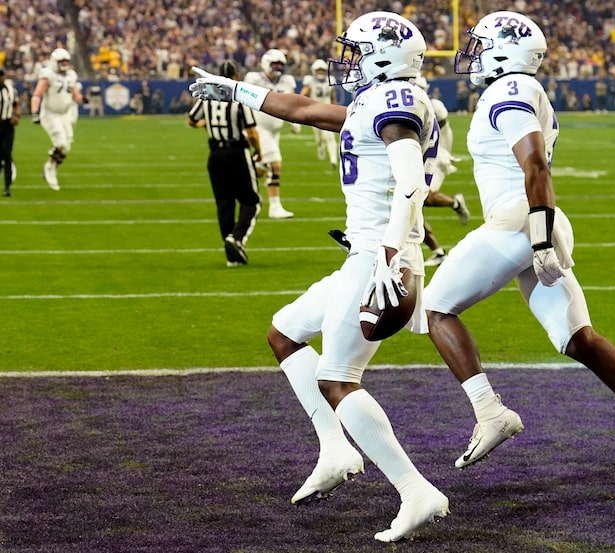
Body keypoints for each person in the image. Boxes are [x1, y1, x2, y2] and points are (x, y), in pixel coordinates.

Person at [190, 11, 449, 541]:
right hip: (367, 253)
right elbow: (305, 110)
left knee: (337, 378)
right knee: (284, 332)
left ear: (382, 56)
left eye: (355, 51)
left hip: (381, 258)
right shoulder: (376, 100)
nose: (346, 61)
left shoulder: (394, 105)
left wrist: (388, 253)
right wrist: (237, 89)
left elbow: (408, 185)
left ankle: (416, 490)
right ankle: (335, 449)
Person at [423, 11, 615, 489]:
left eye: (481, 44)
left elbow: (534, 166)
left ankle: (491, 414)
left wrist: (540, 233)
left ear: (504, 51)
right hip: (532, 220)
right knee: (578, 339)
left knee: (435, 309)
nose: (473, 54)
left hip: (521, 221)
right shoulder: (522, 90)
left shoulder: (508, 90)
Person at [187, 60, 262, 267]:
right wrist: (259, 152)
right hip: (237, 152)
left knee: (224, 203)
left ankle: (231, 254)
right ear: (237, 76)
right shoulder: (239, 96)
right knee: (252, 201)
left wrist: (208, 127)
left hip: (215, 154)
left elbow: (191, 120)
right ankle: (236, 239)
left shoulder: (208, 96)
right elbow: (252, 132)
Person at [413, 74, 470, 267]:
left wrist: (444, 153)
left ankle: (455, 202)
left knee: (422, 198)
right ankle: (437, 252)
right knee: (413, 207)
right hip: (421, 157)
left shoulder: (434, 107)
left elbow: (442, 133)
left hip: (436, 157)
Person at [245, 49, 299, 218]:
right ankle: (274, 207)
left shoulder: (287, 81)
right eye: (274, 64)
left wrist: (293, 121)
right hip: (259, 127)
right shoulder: (254, 79)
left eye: (280, 65)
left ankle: (240, 183)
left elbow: (291, 103)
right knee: (275, 164)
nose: (278, 68)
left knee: (260, 168)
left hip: (275, 130)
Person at [31, 47, 83, 191]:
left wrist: (80, 99)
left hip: (65, 115)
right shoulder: (48, 75)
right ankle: (49, 168)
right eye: (61, 61)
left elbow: (74, 93)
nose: (64, 64)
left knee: (66, 148)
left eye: (66, 61)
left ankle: (52, 166)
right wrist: (34, 112)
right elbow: (37, 94)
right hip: (50, 114)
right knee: (60, 142)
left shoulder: (71, 75)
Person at [300, 59, 338, 169]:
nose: (320, 72)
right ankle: (320, 147)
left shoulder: (330, 80)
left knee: (330, 137)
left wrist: (334, 106)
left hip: (327, 111)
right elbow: (303, 94)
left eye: (322, 70)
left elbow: (332, 96)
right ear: (314, 71)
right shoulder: (310, 81)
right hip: (315, 111)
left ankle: (333, 159)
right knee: (319, 137)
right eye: (318, 70)